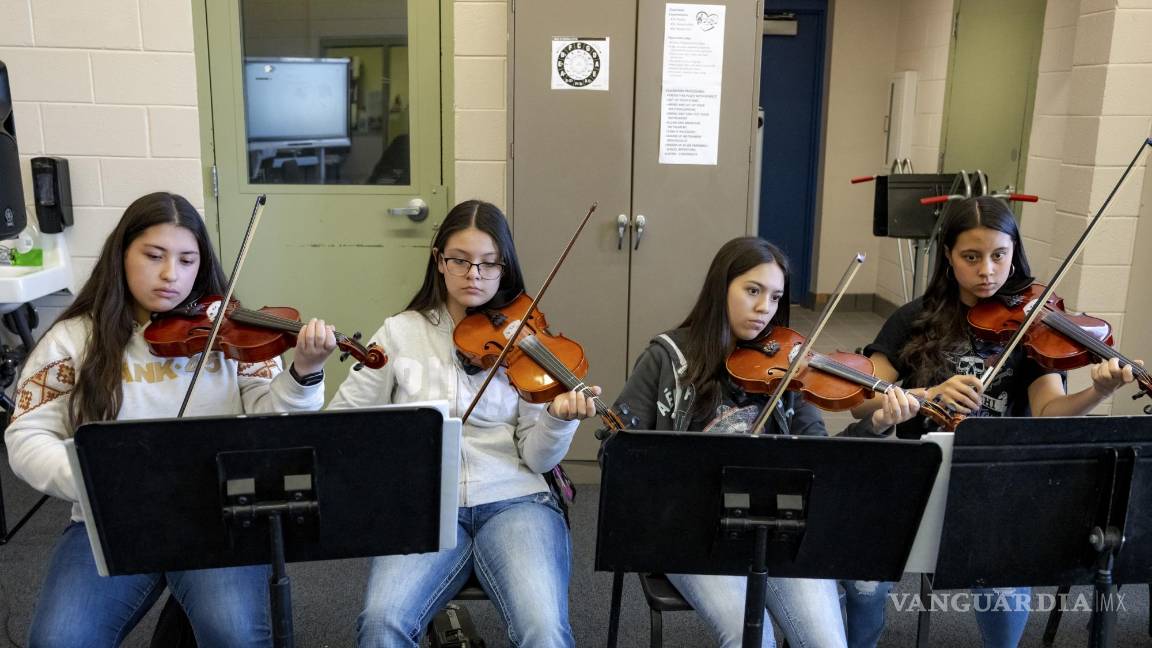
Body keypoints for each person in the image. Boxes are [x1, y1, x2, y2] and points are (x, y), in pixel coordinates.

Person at [4, 192, 337, 647]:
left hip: (216, 518)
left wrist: (304, 371)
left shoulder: (230, 330)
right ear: (122, 254)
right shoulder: (73, 339)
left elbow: (271, 417)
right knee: (59, 640)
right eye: (154, 256)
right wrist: (95, 478)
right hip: (112, 519)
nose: (170, 275)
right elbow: (28, 434)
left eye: (186, 260)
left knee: (236, 636)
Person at [842, 195, 1140, 648]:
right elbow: (861, 401)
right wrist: (925, 395)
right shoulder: (914, 319)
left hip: (995, 478)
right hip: (916, 472)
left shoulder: (1036, 326)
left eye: (999, 255)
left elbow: (1048, 412)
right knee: (864, 581)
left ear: (1014, 252)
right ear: (948, 256)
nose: (987, 270)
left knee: (1001, 584)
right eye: (971, 257)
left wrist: (1098, 390)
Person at [608, 236, 919, 648]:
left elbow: (821, 457)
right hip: (693, 530)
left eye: (774, 297)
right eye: (752, 291)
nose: (763, 308)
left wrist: (876, 423)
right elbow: (618, 452)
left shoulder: (790, 366)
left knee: (827, 642)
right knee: (751, 640)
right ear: (721, 288)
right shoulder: (666, 358)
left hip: (780, 530)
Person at [329, 199, 599, 648]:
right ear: (439, 260)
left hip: (516, 500)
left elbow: (537, 457)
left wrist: (557, 420)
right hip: (428, 505)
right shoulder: (399, 333)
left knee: (545, 630)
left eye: (490, 264)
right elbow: (343, 425)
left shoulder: (524, 338)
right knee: (381, 623)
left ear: (505, 268)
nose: (475, 274)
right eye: (461, 260)